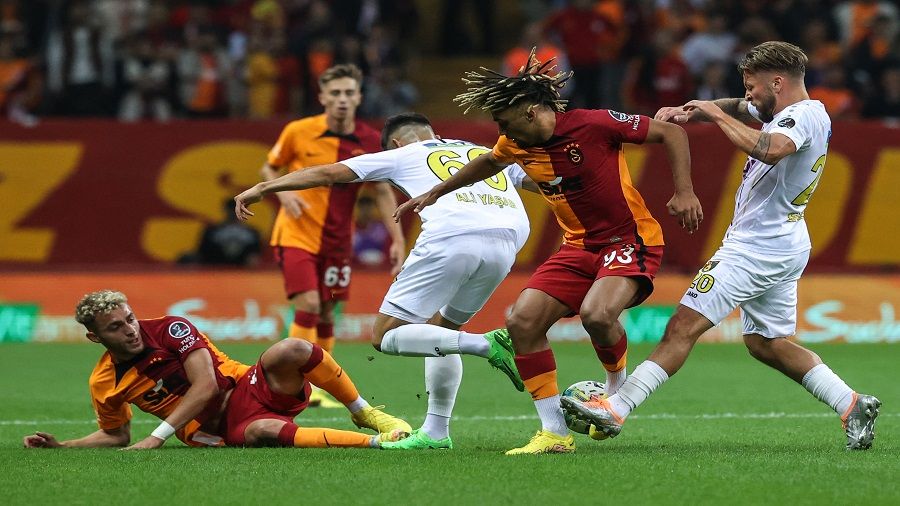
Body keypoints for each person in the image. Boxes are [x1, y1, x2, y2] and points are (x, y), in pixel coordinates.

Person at [562, 41, 881, 450]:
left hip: (755, 249)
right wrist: (696, 108)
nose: (748, 95)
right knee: (766, 343)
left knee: (682, 327)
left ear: (777, 83)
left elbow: (770, 150)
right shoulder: (791, 111)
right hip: (784, 241)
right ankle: (850, 403)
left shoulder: (801, 117)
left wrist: (712, 115)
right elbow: (742, 109)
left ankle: (616, 407)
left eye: (752, 86)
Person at [396, 52, 702, 454]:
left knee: (597, 314)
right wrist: (436, 192)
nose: (501, 132)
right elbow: (488, 162)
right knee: (521, 322)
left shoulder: (593, 124)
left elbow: (672, 133)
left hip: (629, 240)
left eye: (504, 122)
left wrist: (684, 191)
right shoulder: (515, 141)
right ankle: (555, 432)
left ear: (531, 112)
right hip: (577, 246)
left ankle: (615, 389)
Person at [235, 112, 532, 450]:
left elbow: (329, 173)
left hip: (452, 236)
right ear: (433, 132)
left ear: (395, 142)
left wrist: (264, 187)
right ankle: (436, 433)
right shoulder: (480, 151)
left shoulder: (402, 153)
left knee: (385, 335)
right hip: (508, 243)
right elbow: (542, 181)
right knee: (444, 333)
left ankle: (486, 344)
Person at [22, 290, 410, 450]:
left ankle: (365, 413)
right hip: (218, 430)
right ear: (95, 337)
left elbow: (206, 385)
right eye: (115, 328)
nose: (130, 330)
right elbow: (116, 434)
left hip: (248, 388)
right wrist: (64, 446)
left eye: (130, 319)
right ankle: (379, 444)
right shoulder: (104, 382)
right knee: (262, 431)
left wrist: (156, 437)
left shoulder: (170, 328)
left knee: (292, 348)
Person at [261, 63, 405, 394]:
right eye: (335, 93)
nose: (342, 99)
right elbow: (269, 168)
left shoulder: (369, 140)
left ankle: (320, 386)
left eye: (349, 93)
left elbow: (382, 191)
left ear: (359, 98)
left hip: (338, 240)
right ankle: (293, 384)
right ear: (322, 97)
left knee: (327, 310)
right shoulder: (298, 131)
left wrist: (397, 238)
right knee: (309, 304)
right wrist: (284, 195)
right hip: (296, 233)